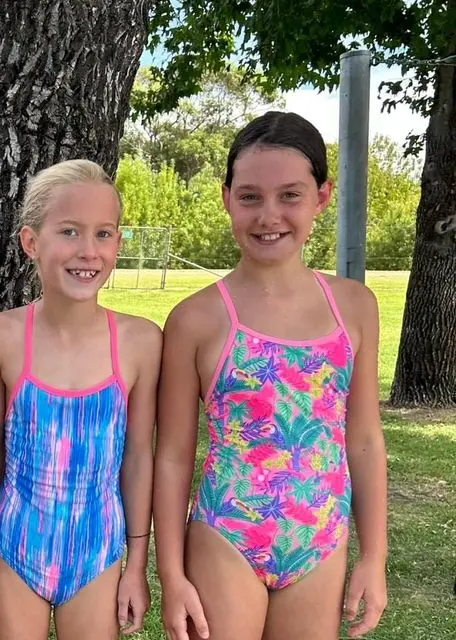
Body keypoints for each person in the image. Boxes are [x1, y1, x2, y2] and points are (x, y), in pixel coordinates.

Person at [153, 111, 389, 640]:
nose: (269, 215)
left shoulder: (354, 307)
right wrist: (171, 574)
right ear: (227, 197)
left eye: (290, 195)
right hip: (226, 534)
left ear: (323, 196)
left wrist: (374, 555)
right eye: (251, 197)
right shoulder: (195, 319)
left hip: (321, 537)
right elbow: (170, 456)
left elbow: (366, 439)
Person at [0, 159, 161, 639]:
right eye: (70, 232)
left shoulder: (139, 342)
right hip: (14, 543)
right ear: (32, 242)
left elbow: (138, 458)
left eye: (104, 234)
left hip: (98, 548)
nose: (89, 252)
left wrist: (135, 564)